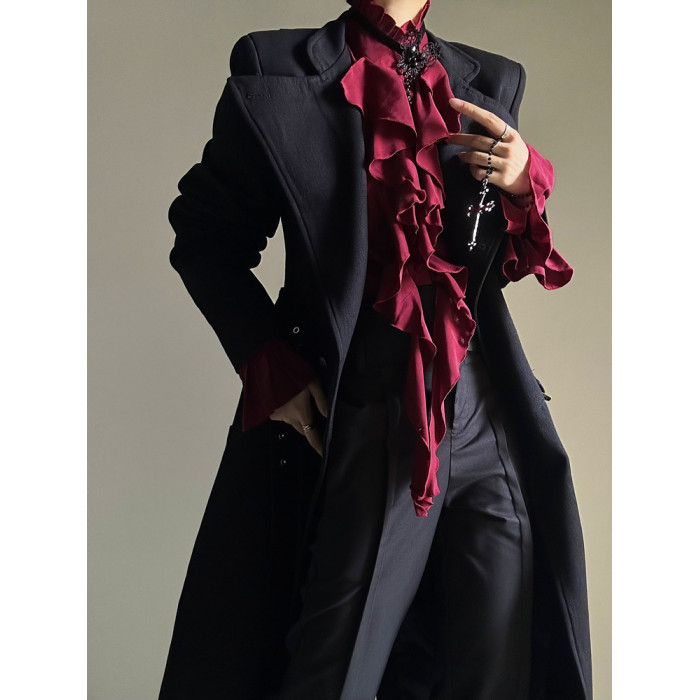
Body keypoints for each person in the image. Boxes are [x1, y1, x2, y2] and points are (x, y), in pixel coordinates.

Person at [158, 1, 593, 699]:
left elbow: (489, 265)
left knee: (498, 661)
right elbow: (206, 238)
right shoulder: (276, 70)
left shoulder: (490, 81)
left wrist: (521, 184)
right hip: (376, 402)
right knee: (341, 666)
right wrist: (270, 364)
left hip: (487, 408)